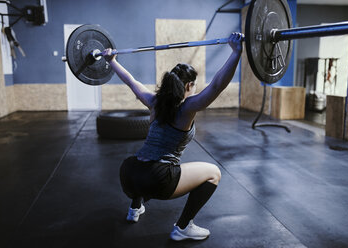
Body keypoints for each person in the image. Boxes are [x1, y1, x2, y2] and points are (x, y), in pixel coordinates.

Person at [102, 32, 243, 241]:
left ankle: (135, 208)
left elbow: (131, 81)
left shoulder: (153, 102)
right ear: (188, 86)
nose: (195, 89)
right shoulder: (188, 108)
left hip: (129, 174)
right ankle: (183, 227)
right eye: (194, 85)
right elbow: (216, 86)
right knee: (214, 172)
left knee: (146, 160)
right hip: (157, 179)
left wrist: (111, 61)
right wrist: (236, 52)